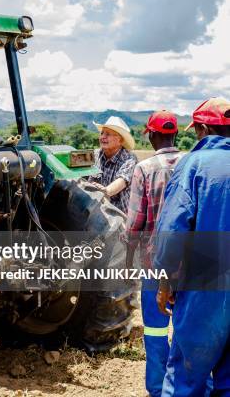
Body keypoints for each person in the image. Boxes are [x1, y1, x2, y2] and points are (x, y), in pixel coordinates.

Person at [154, 97, 230, 396]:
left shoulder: (195, 165)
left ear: (201, 128)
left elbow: (173, 230)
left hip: (205, 288)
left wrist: (165, 282)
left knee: (187, 377)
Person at [124, 110, 184, 397]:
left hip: (154, 262)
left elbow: (135, 222)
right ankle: (188, 384)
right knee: (187, 325)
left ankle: (159, 387)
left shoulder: (144, 169)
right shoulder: (191, 164)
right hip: (193, 262)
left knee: (157, 328)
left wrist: (127, 258)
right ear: (175, 134)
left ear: (151, 135)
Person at [89, 116, 137, 213]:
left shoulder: (129, 159)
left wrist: (105, 191)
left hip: (119, 214)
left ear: (120, 140)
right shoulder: (95, 155)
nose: (103, 137)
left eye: (108, 134)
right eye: (102, 133)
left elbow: (122, 180)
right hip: (95, 210)